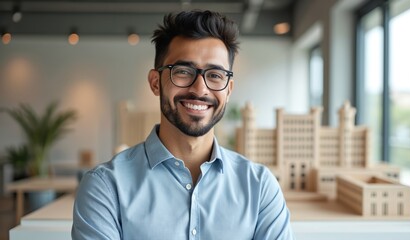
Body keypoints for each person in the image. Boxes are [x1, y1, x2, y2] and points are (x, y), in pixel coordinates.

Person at [72, 10, 294, 240]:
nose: (199, 89)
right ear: (155, 82)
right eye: (183, 72)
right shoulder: (105, 187)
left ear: (228, 90)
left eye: (215, 75)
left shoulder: (259, 187)